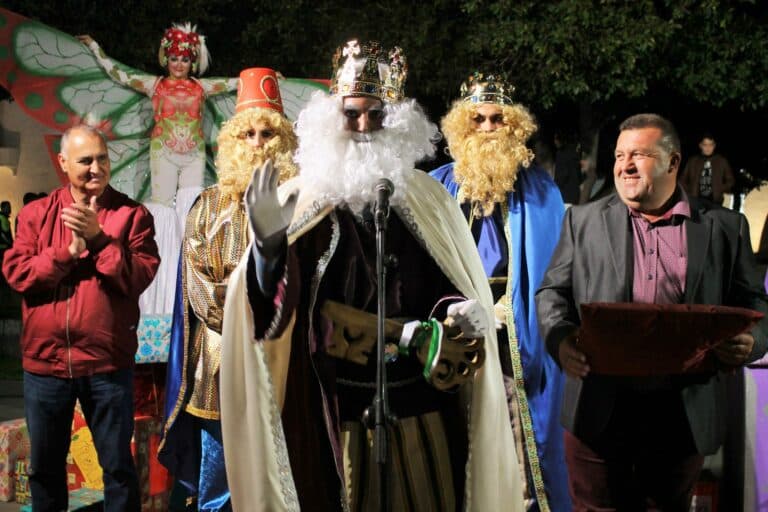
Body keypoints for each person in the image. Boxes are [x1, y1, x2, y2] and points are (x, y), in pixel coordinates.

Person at [218, 40, 522, 511]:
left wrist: (458, 310)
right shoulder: (301, 201)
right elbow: (269, 317)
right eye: (351, 114)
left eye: (375, 115)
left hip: (420, 409)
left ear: (397, 121)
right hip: (338, 414)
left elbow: (449, 284)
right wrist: (267, 252)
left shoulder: (427, 200)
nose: (362, 127)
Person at [535, 113, 768, 510]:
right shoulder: (583, 220)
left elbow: (755, 303)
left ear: (673, 163)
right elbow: (552, 293)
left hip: (681, 415)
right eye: (619, 155)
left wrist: (751, 343)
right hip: (598, 411)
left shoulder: (726, 228)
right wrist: (560, 340)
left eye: (638, 154)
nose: (624, 165)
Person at [158, 68, 298, 512]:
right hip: (218, 374)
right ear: (233, 140)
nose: (258, 143)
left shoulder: (303, 201)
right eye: (248, 134)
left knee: (282, 478)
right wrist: (253, 309)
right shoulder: (206, 207)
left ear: (284, 142)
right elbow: (200, 295)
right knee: (218, 491)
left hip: (286, 367)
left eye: (267, 134)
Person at [2, 125, 160, 512]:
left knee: (118, 470)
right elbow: (18, 273)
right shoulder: (37, 214)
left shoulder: (131, 215)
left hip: (106, 366)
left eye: (102, 158)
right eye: (85, 160)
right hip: (46, 367)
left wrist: (101, 240)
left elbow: (139, 276)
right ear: (62, 163)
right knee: (45, 471)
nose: (95, 168)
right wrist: (66, 254)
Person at [431, 72, 570, 511]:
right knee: (457, 444)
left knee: (519, 450)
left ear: (514, 129)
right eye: (478, 120)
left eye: (497, 120)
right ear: (461, 127)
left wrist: (513, 311)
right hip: (453, 338)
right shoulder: (436, 188)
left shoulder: (542, 192)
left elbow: (554, 272)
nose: (488, 129)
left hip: (514, 343)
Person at [78, 25, 237, 218]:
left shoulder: (201, 87)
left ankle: (188, 248)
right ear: (166, 59)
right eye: (174, 59)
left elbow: (235, 82)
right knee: (163, 207)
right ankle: (162, 248)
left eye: (185, 60)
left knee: (193, 205)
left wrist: (266, 79)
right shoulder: (154, 85)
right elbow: (119, 74)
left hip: (194, 155)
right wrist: (95, 47)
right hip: (164, 153)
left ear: (192, 62)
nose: (179, 64)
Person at [680, 132, 735, 206]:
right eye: (705, 145)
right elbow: (682, 179)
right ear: (700, 145)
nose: (708, 148)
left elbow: (730, 180)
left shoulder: (721, 161)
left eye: (710, 145)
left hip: (715, 201)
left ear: (714, 146)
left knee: (714, 217)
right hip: (695, 200)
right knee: (696, 217)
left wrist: (720, 189)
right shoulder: (693, 161)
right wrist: (689, 191)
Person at [553, 129, 582, 206]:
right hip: (575, 192)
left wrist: (555, 187)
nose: (555, 141)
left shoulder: (560, 154)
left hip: (566, 194)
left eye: (556, 139)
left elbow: (562, 175)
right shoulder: (573, 153)